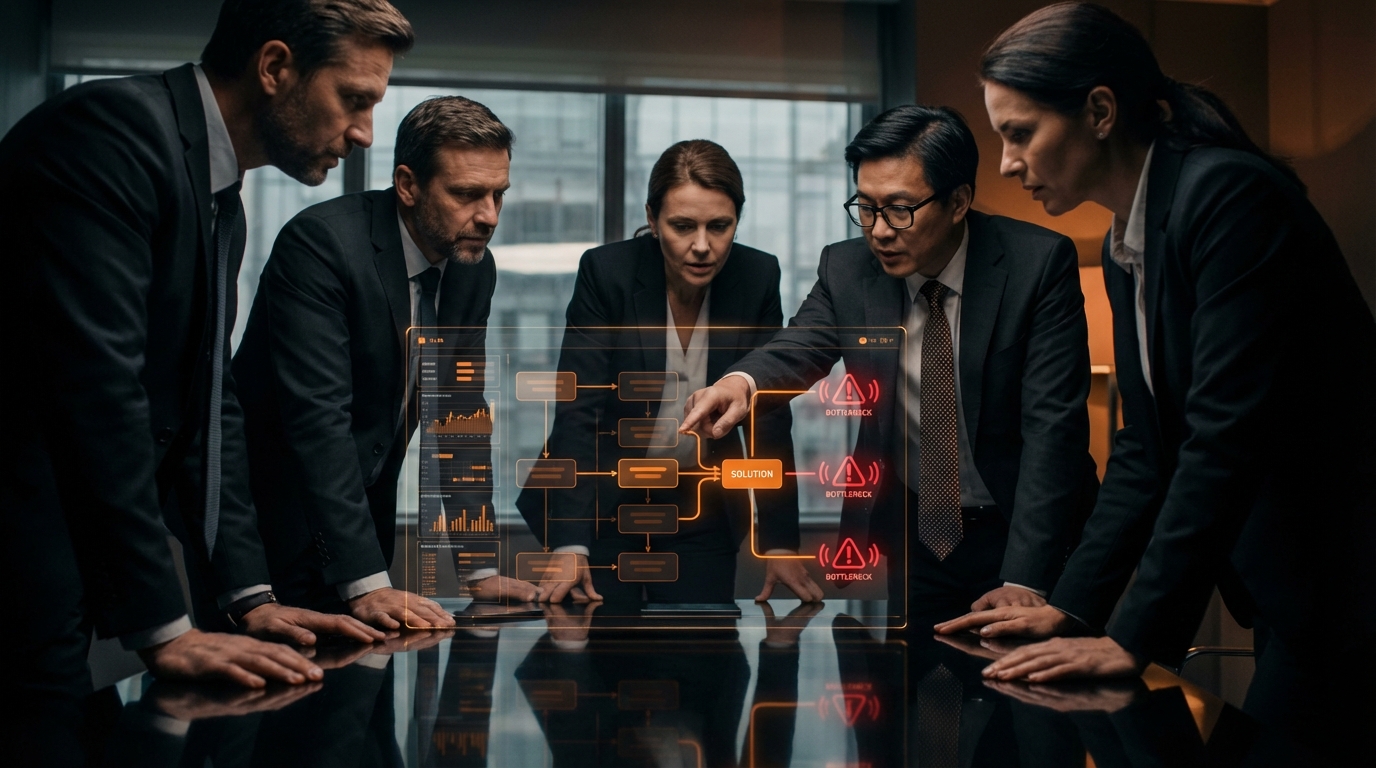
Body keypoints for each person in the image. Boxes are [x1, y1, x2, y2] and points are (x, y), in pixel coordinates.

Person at [937, 2, 1376, 758]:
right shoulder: (1121, 241)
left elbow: (1223, 439)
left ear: (1100, 111)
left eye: (1019, 133)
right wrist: (1072, 609)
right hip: (1297, 592)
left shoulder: (1229, 197)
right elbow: (1144, 449)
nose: (1005, 163)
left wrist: (1131, 639)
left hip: (1351, 579)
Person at [0, 0, 412, 701]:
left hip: (70, 570)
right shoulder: (114, 133)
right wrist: (164, 626)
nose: (365, 134)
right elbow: (100, 390)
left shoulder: (222, 198)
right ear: (276, 67)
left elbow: (207, 403)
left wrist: (250, 597)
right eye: (353, 99)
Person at [681, 106, 1100, 620]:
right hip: (913, 535)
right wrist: (741, 383)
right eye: (866, 207)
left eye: (900, 209)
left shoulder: (1037, 265)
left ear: (958, 201)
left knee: (1027, 693)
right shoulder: (847, 268)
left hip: (1023, 531)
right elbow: (798, 345)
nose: (878, 231)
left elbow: (1053, 432)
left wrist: (1024, 578)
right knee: (909, 690)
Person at [235, 96, 541, 629]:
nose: (489, 216)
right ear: (407, 184)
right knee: (266, 705)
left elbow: (460, 414)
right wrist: (367, 582)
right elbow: (317, 419)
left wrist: (479, 567)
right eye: (468, 194)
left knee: (364, 704)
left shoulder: (473, 267)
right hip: (268, 529)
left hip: (364, 527)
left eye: (498, 194)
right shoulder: (322, 244)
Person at [515, 140, 814, 605]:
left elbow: (766, 415)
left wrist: (778, 541)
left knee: (707, 658)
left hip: (702, 505)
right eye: (682, 226)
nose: (702, 246)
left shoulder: (756, 276)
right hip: (603, 502)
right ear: (653, 219)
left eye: (720, 226)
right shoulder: (606, 272)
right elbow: (579, 411)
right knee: (598, 655)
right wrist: (571, 540)